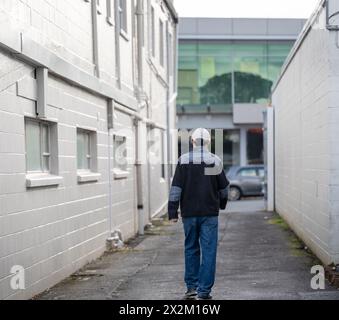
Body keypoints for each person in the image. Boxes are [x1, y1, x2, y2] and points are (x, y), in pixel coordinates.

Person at [168, 128, 229, 300]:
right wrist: (222, 204)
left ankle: (191, 288)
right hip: (209, 213)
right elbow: (224, 188)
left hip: (189, 214)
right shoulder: (214, 160)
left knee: (191, 248)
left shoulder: (183, 161)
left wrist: (172, 211)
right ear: (208, 142)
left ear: (193, 142)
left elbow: (176, 189)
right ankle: (204, 292)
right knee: (209, 251)